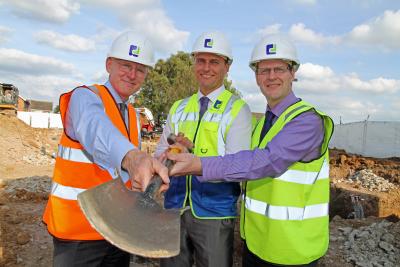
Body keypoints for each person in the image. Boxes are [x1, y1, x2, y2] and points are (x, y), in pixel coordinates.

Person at [163, 35, 334, 266]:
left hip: (293, 248)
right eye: (263, 70)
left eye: (279, 69)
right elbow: (240, 160)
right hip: (256, 242)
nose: (271, 76)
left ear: (293, 72)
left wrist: (199, 164)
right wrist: (191, 149)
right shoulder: (264, 124)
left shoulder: (307, 121)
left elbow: (266, 161)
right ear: (256, 76)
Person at [42, 31, 168, 267]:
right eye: (125, 65)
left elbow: (123, 173)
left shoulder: (132, 114)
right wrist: (132, 158)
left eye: (140, 69)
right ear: (109, 64)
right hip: (78, 231)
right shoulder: (85, 98)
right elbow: (95, 129)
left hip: (116, 230)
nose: (132, 74)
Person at [154, 31, 252, 267]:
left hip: (214, 212)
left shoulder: (238, 109)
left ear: (227, 67)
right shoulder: (179, 107)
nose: (206, 67)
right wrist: (170, 152)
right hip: (174, 208)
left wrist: (193, 152)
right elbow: (158, 154)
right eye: (201, 60)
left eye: (214, 62)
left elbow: (236, 166)